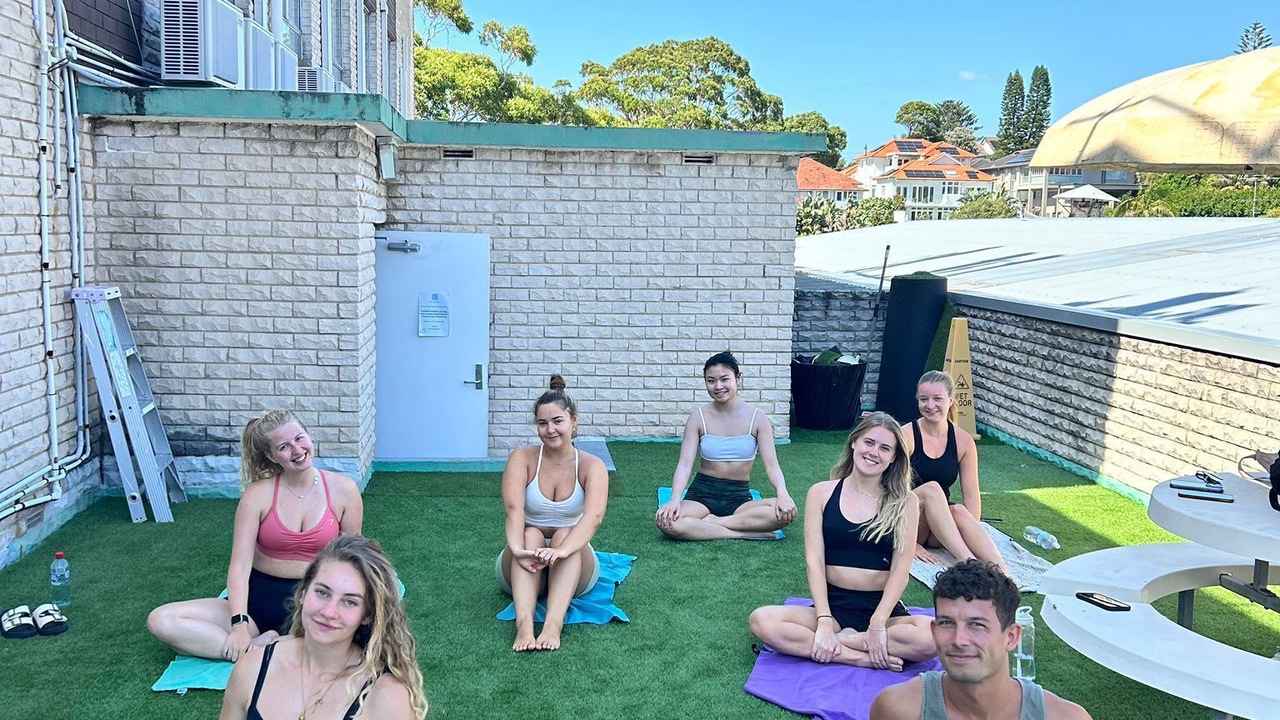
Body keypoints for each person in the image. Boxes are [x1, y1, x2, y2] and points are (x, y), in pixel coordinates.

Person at [149, 409, 364, 662]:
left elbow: (352, 559)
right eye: (284, 446)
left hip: (314, 600)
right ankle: (261, 648)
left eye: (299, 438)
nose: (296, 450)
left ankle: (267, 646)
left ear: (309, 436)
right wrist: (239, 625)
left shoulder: (344, 490)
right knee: (161, 620)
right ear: (271, 456)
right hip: (257, 600)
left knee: (355, 638)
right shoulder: (258, 495)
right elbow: (239, 566)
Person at [749, 412, 936, 670]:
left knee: (935, 636)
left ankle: (850, 640)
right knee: (762, 620)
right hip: (833, 605)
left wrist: (878, 623)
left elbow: (901, 569)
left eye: (884, 448)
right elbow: (814, 561)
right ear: (854, 442)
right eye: (869, 443)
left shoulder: (906, 502)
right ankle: (857, 656)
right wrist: (824, 620)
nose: (873, 453)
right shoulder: (821, 493)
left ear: (894, 458)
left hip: (882, 608)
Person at [220, 534, 427, 720]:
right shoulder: (253, 669)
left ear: (367, 615)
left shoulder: (385, 697)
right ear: (303, 593)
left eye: (349, 602)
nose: (329, 612)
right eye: (322, 592)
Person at [870, 559, 1092, 720]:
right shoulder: (898, 709)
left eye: (977, 625)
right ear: (935, 631)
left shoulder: (1064, 716)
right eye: (947, 623)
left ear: (1011, 637)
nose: (960, 640)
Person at [498, 374, 609, 651]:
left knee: (564, 534)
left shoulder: (591, 465)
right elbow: (513, 511)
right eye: (542, 423)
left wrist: (561, 551)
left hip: (571, 559)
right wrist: (518, 548)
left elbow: (594, 517)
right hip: (525, 556)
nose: (550, 430)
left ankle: (552, 625)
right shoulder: (521, 458)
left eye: (557, 421)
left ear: (574, 421)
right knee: (531, 532)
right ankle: (524, 626)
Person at [655, 351, 797, 540]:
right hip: (701, 495)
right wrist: (674, 500)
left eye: (724, 379)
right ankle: (742, 533)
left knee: (784, 512)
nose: (718, 386)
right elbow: (684, 465)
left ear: (738, 379)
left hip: (738, 498)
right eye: (711, 381)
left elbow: (772, 465)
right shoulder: (698, 417)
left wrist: (783, 493)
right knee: (668, 522)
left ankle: (711, 524)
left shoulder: (758, 418)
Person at [902, 371, 1009, 576]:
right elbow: (889, 488)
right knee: (932, 489)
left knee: (959, 510)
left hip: (938, 525)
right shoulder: (906, 435)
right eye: (924, 399)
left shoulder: (963, 440)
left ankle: (1003, 574)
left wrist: (972, 531)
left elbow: (971, 494)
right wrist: (907, 542)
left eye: (937, 399)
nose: (930, 405)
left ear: (951, 400)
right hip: (908, 520)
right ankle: (968, 564)